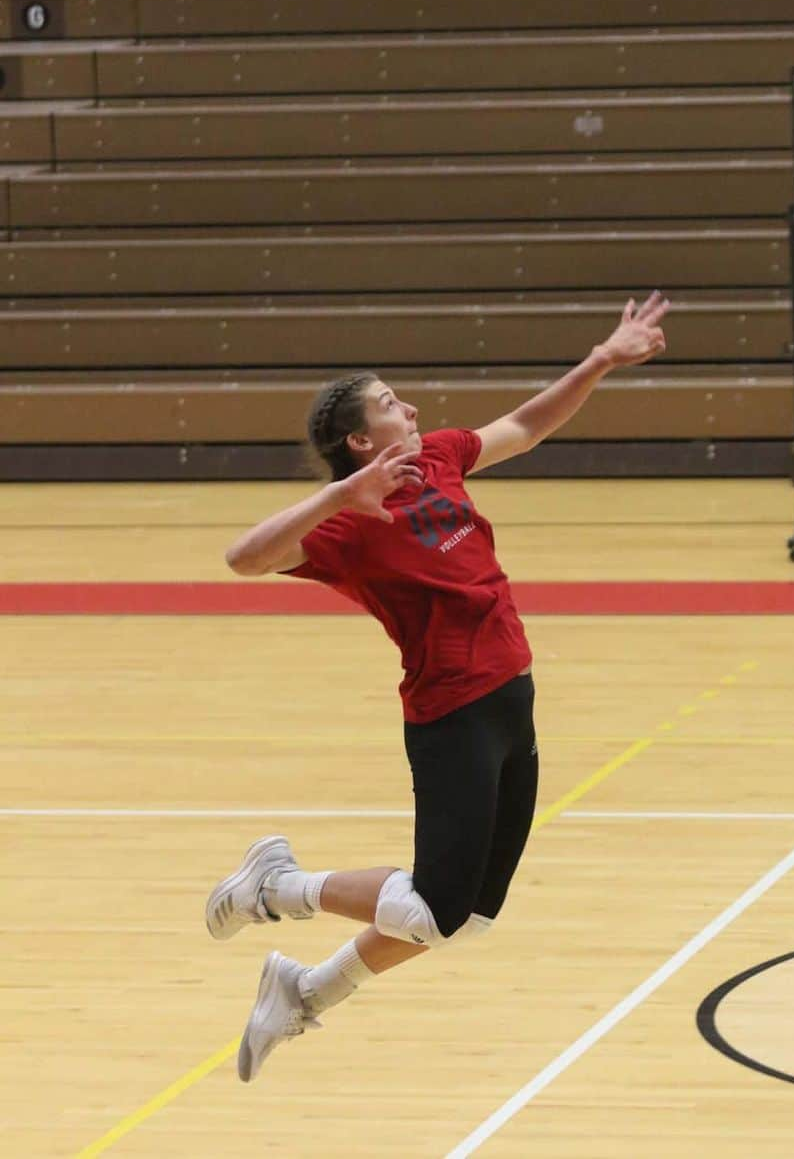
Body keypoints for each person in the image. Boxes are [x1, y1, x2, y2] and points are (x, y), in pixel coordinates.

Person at [205, 291, 670, 1081]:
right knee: (431, 910)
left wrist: (600, 360)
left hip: (510, 698)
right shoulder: (348, 527)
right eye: (391, 404)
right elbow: (243, 558)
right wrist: (337, 495)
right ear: (360, 439)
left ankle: (304, 990)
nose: (410, 407)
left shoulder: (441, 458)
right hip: (452, 713)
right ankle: (278, 886)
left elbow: (523, 427)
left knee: (468, 920)